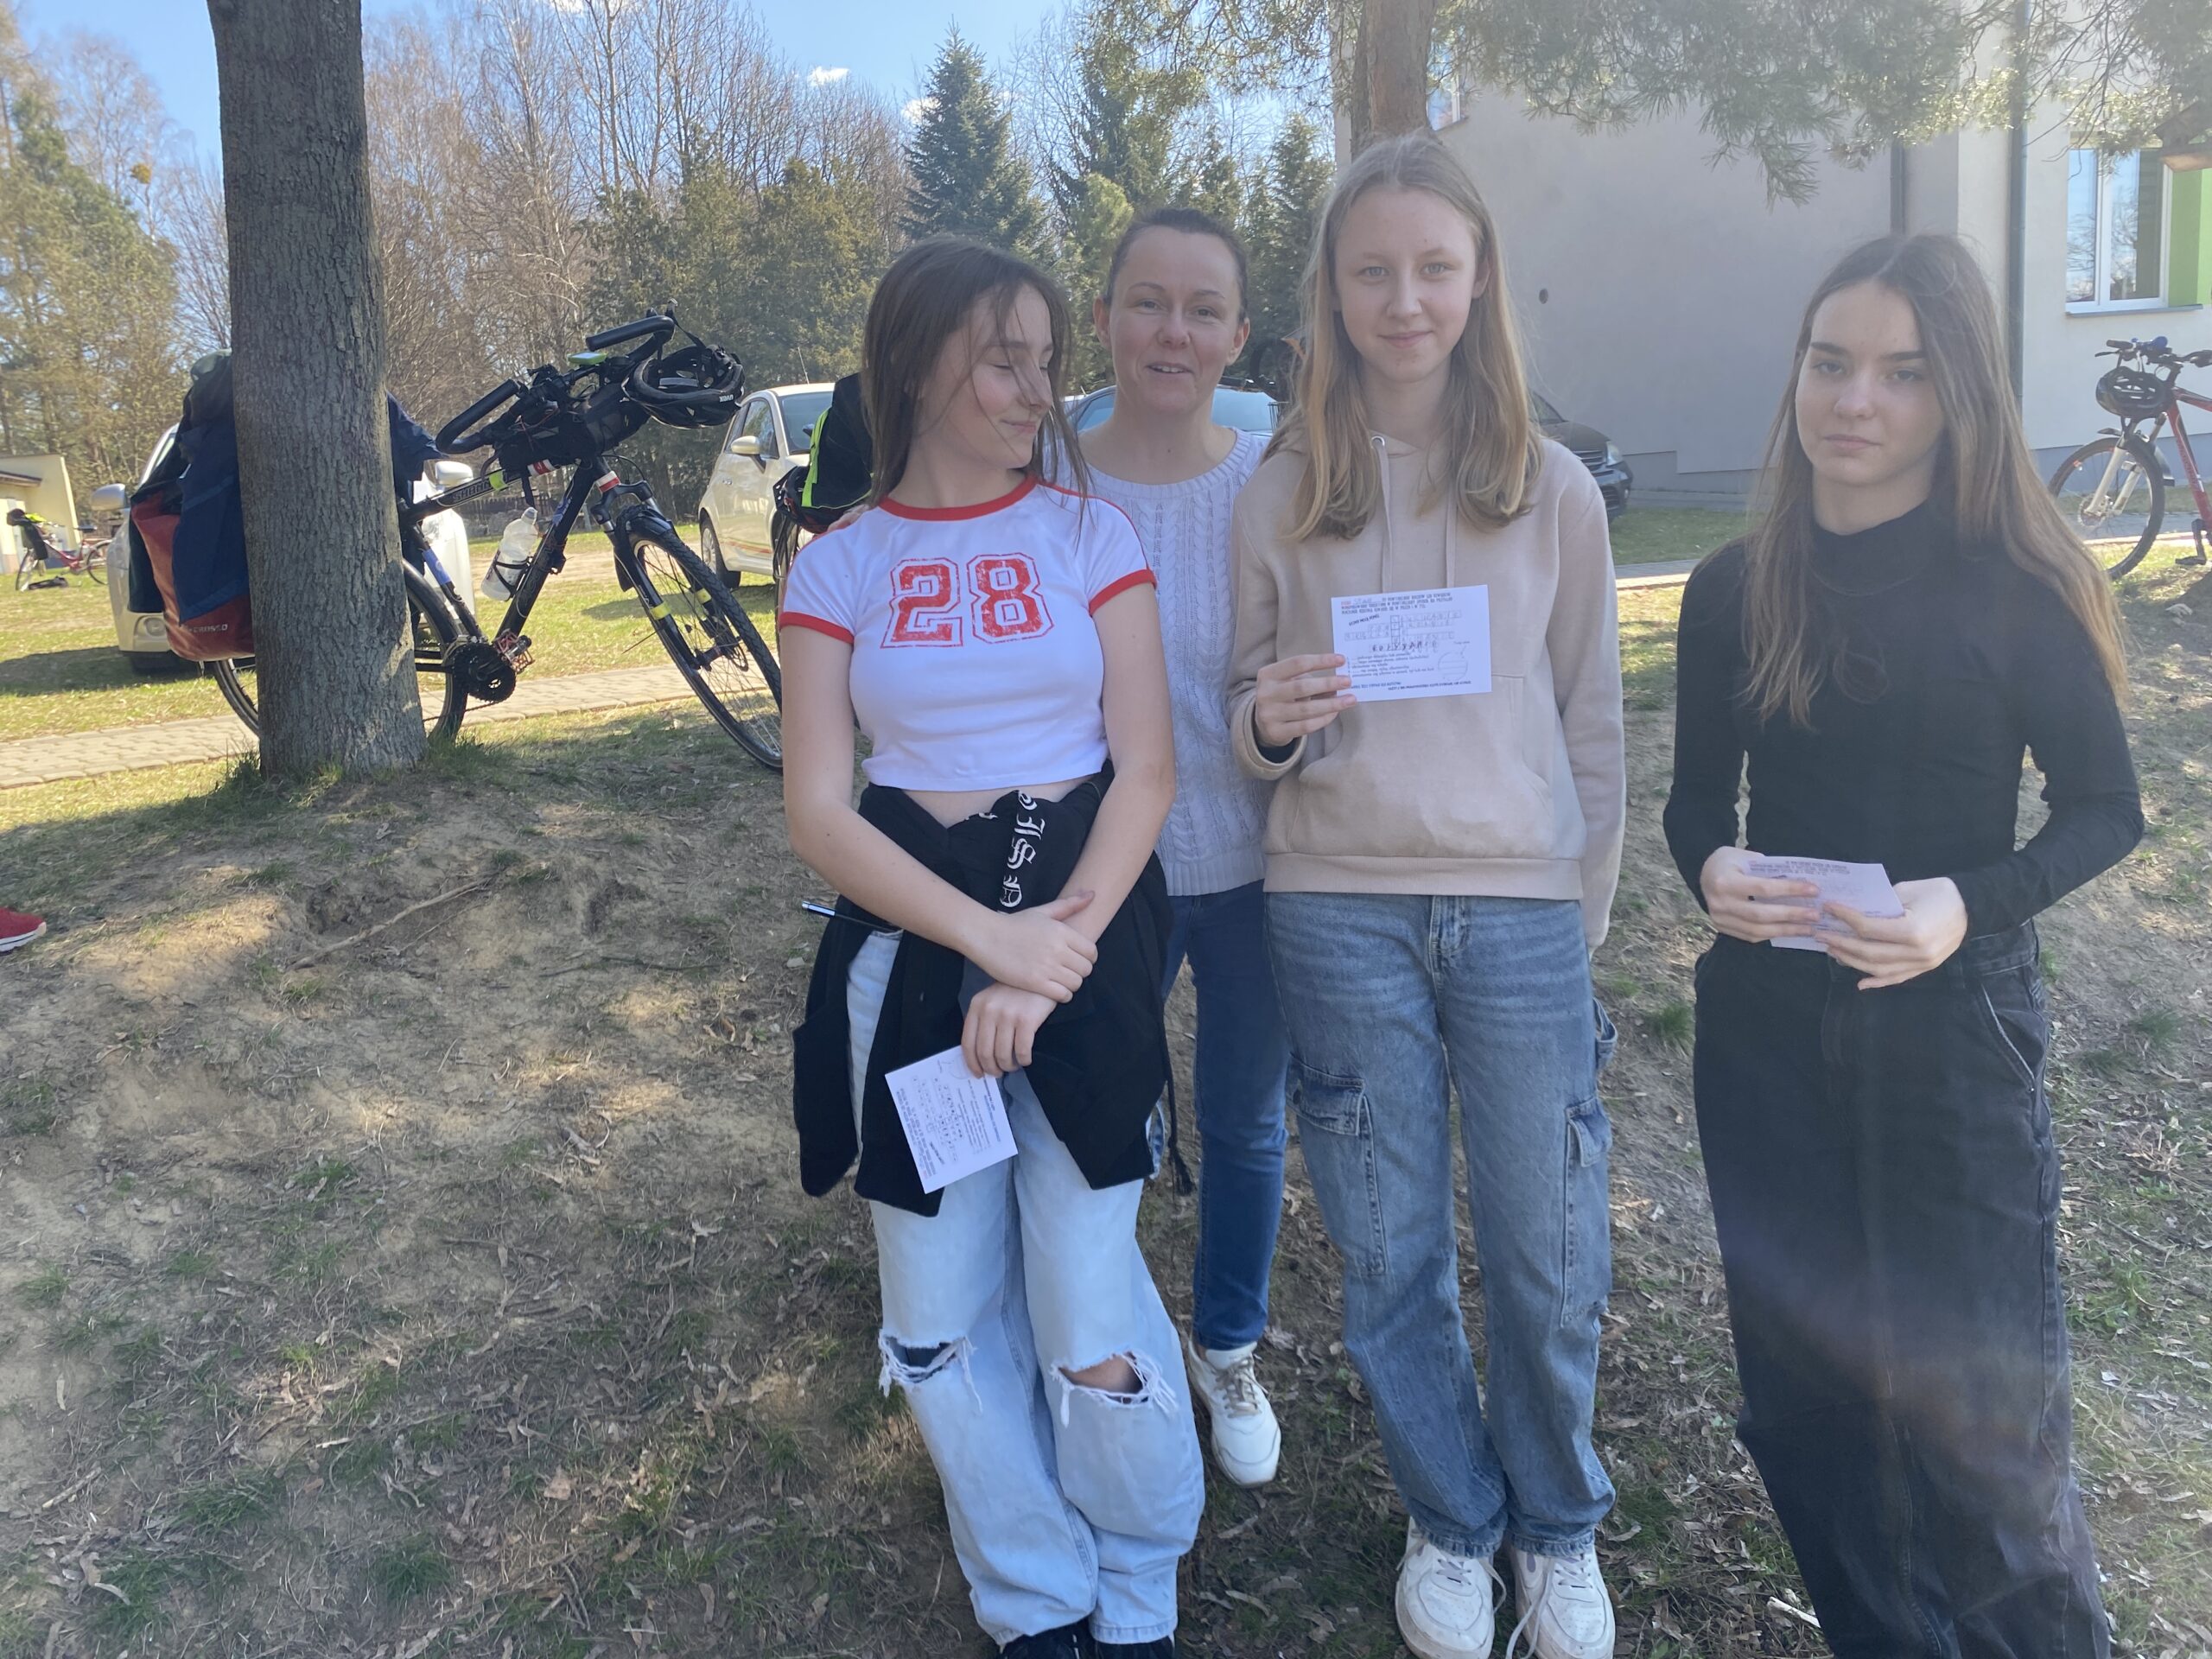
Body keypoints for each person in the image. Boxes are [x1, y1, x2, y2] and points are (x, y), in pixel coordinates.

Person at [1664, 232, 2140, 1657]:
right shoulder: (1733, 587)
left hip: (1952, 1037)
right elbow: (1696, 804)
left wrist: (1967, 904)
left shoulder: (2017, 588)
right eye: (1830, 363)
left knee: (1986, 1433)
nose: (1854, 400)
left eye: (1902, 373)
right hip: (1768, 1032)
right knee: (1810, 1414)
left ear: (1959, 395)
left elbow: (2106, 809)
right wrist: (1713, 869)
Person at [1226, 132, 1624, 1659]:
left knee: (1547, 1250)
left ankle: (1558, 1526)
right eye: (1373, 270)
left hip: (1520, 913)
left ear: (1481, 282)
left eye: (1435, 269)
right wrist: (1270, 723)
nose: (1406, 301)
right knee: (1390, 1252)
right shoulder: (1282, 491)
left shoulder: (1554, 489)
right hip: (1336, 908)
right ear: (1331, 290)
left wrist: (1581, 912)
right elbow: (1241, 708)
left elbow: (1592, 719)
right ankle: (1453, 1517)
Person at [780, 235, 1201, 1659]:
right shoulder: (838, 565)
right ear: (915, 366)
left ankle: (1136, 1585)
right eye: (1002, 360)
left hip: (1087, 941)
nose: (1035, 390)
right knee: (939, 1316)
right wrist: (985, 945)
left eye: (1044, 361)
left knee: (1087, 1304)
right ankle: (1035, 1595)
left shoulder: (1091, 537)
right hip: (914, 966)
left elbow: (1145, 770)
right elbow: (820, 813)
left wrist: (1052, 951)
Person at [1077, 206, 1289, 1489]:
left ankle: (1228, 1346)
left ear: (1238, 334)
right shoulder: (1050, 478)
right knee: (1102, 1109)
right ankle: (1102, 1336)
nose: (1174, 331)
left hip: (1262, 865)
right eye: (1147, 302)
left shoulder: (1273, 478)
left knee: (1249, 1122)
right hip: (1111, 871)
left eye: (1203, 309)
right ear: (1102, 318)